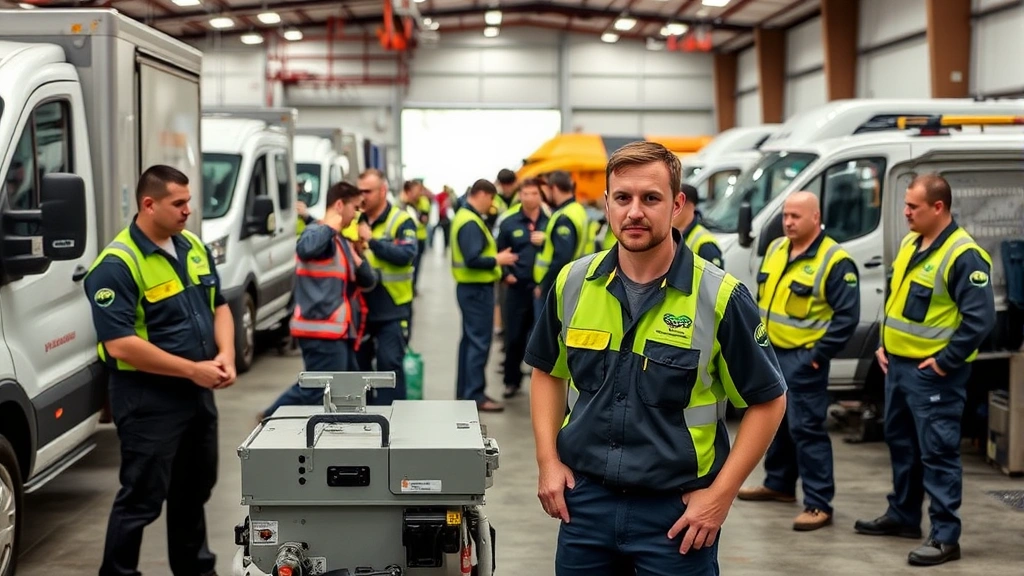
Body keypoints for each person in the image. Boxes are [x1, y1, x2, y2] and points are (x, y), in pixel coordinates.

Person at [526, 142, 787, 576]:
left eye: (651, 198)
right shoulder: (573, 284)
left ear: (677, 205)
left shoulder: (719, 297)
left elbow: (769, 400)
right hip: (585, 507)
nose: (634, 212)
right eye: (622, 198)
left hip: (677, 517)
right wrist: (547, 462)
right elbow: (547, 373)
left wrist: (720, 497)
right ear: (606, 203)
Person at [84, 165, 235, 576]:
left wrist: (226, 354)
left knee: (193, 490)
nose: (189, 210)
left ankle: (196, 570)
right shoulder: (117, 265)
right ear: (149, 205)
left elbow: (219, 304)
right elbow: (120, 344)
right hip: (148, 399)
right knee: (141, 499)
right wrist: (192, 370)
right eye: (179, 203)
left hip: (196, 394)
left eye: (189, 201)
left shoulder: (192, 246)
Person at [855, 174, 995, 566]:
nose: (905, 212)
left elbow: (980, 320)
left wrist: (946, 362)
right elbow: (897, 300)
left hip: (933, 375)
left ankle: (945, 537)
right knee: (901, 444)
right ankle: (903, 515)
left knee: (938, 452)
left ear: (938, 207)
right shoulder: (911, 243)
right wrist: (884, 343)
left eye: (912, 206)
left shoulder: (964, 255)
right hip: (898, 368)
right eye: (906, 205)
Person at [737, 191, 860, 531]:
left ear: (816, 217)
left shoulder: (834, 260)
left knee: (807, 429)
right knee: (776, 424)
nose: (788, 222)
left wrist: (817, 356)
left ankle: (819, 504)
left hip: (803, 359)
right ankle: (778, 484)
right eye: (785, 216)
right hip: (772, 354)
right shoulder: (777, 248)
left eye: (795, 217)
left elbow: (847, 317)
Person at [259, 182, 377, 419]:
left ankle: (275, 417)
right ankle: (272, 418)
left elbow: (368, 280)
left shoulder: (340, 241)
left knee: (342, 387)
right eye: (354, 208)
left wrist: (359, 252)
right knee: (319, 389)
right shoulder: (319, 234)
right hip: (321, 330)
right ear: (340, 205)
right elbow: (306, 247)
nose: (356, 215)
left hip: (337, 331)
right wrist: (332, 225)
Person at [451, 179, 518, 412]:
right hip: (477, 289)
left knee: (470, 341)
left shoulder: (465, 217)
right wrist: (498, 260)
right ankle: (475, 394)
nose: (491, 205)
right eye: (490, 199)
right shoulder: (470, 222)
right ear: (482, 194)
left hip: (470, 289)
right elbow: (472, 258)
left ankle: (465, 392)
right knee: (479, 343)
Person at [355, 168, 418, 405]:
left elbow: (406, 255)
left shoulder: (401, 220)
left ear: (383, 191)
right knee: (358, 369)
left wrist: (371, 241)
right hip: (361, 309)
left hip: (393, 309)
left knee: (389, 365)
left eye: (368, 191)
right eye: (360, 191)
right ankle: (364, 419)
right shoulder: (355, 219)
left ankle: (391, 418)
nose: (362, 196)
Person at [496, 178, 549, 398]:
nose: (529, 198)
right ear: (520, 195)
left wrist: (546, 239)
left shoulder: (550, 222)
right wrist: (506, 275)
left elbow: (557, 251)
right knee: (514, 336)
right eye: (525, 194)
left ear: (540, 195)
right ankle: (511, 381)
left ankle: (542, 386)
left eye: (534, 193)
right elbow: (498, 252)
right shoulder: (509, 223)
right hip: (517, 287)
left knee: (542, 339)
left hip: (542, 289)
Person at [533, 170, 590, 305]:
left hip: (556, 284)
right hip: (574, 279)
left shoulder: (564, 217)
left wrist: (544, 285)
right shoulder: (578, 209)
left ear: (553, 188)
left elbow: (562, 257)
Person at [673, 183, 724, 269]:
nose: (671, 210)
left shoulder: (706, 244)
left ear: (690, 206)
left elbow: (714, 276)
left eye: (676, 205)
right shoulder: (675, 236)